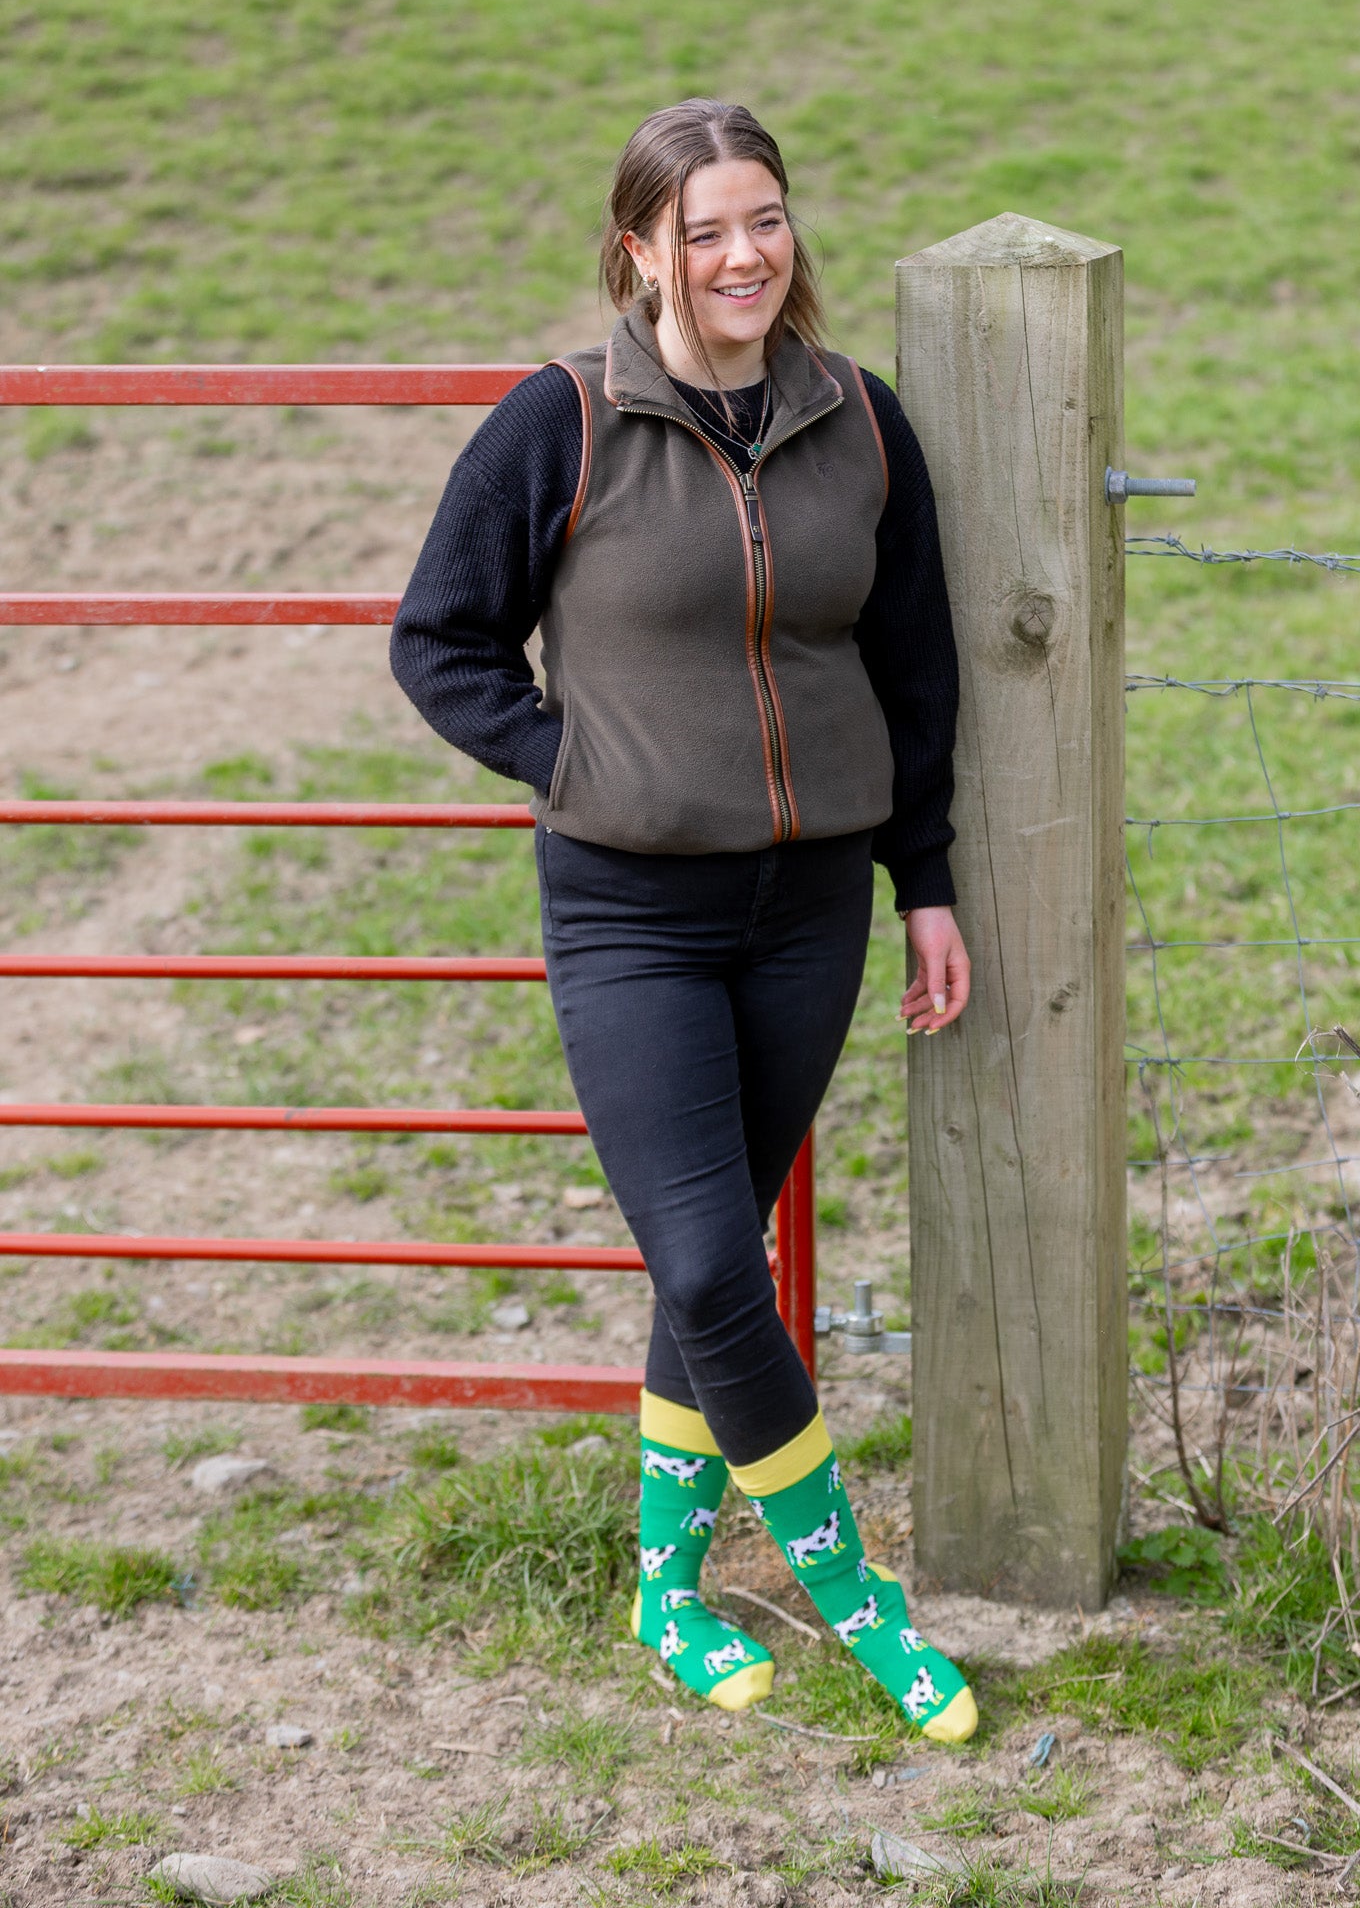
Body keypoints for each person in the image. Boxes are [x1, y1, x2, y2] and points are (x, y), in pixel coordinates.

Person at [391, 99, 975, 1742]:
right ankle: (855, 1597)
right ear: (640, 245)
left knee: (696, 1265)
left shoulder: (859, 421)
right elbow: (438, 638)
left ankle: (665, 1591)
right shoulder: (560, 422)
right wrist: (573, 759)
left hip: (809, 909)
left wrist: (919, 874)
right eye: (705, 229)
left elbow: (913, 669)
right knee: (721, 1265)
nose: (743, 256)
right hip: (631, 908)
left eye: (767, 220)